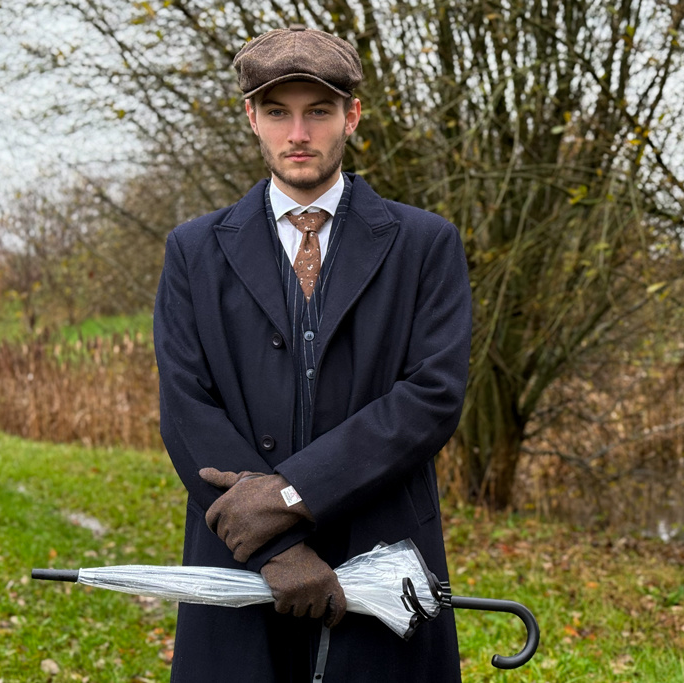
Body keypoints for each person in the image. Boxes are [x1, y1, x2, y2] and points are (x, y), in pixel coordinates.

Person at [153, 23, 471, 683]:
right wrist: (279, 548)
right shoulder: (193, 249)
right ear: (252, 118)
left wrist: (293, 494)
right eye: (277, 112)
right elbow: (188, 408)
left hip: (381, 555)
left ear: (351, 116)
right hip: (237, 560)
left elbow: (431, 396)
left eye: (318, 111)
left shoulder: (425, 243)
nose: (298, 133)